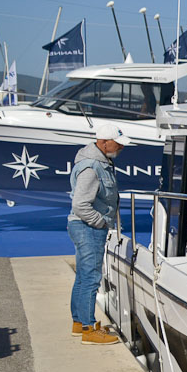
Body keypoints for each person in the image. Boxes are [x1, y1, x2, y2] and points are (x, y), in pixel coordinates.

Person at [68, 123, 131, 345]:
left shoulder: (100, 162)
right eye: (118, 143)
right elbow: (80, 205)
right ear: (103, 142)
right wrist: (101, 223)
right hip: (88, 228)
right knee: (91, 278)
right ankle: (88, 329)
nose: (121, 148)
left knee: (83, 276)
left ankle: (79, 323)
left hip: (85, 227)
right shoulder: (92, 167)